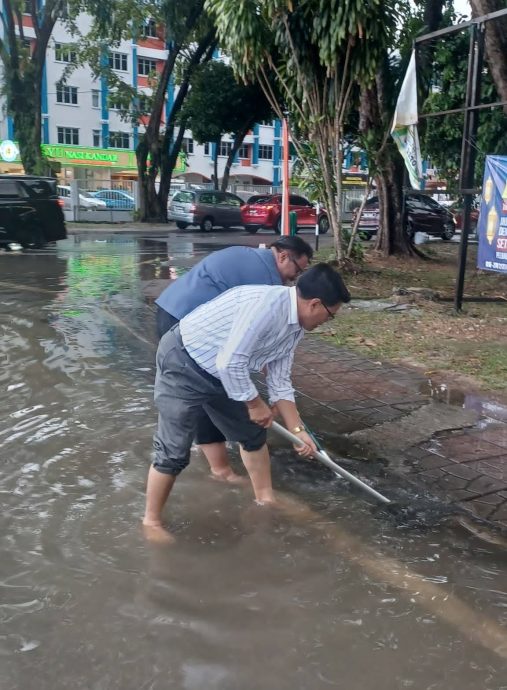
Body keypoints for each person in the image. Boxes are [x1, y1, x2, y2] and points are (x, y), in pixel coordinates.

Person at [143, 263, 351, 540]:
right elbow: (231, 362)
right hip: (184, 363)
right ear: (315, 304)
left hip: (222, 374)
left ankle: (265, 498)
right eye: (330, 315)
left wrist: (299, 433)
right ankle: (151, 522)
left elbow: (280, 381)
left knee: (252, 433)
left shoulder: (296, 326)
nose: (328, 321)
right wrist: (254, 404)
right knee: (173, 453)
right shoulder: (265, 307)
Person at [154, 237, 314, 483]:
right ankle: (220, 469)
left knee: (222, 390)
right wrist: (257, 403)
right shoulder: (268, 284)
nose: (294, 278)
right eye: (297, 270)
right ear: (282, 256)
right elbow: (244, 350)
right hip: (183, 324)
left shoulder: (250, 255)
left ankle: (217, 459)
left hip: (172, 307)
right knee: (206, 390)